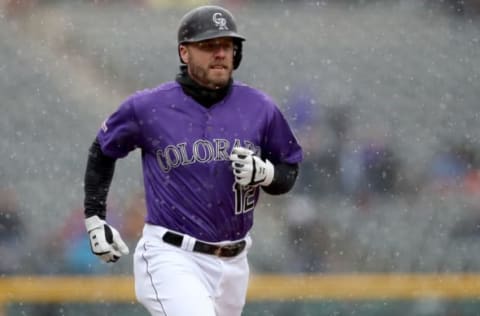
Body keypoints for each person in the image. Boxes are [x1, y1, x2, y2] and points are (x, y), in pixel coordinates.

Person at [83, 5, 303, 316]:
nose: (220, 53)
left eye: (226, 45)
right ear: (184, 53)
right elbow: (102, 150)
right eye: (209, 45)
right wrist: (95, 218)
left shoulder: (259, 107)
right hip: (171, 255)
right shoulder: (149, 107)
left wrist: (266, 174)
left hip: (235, 263)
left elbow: (289, 170)